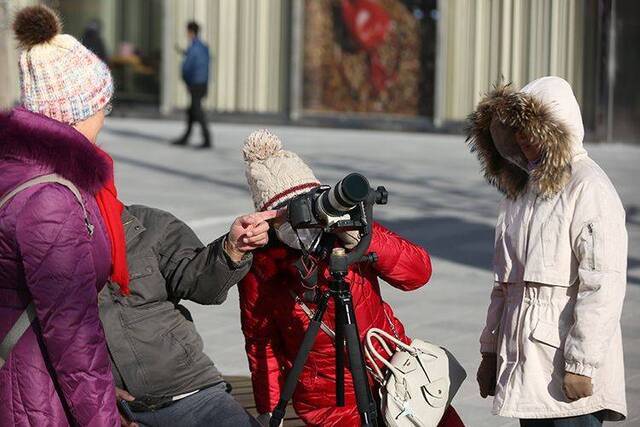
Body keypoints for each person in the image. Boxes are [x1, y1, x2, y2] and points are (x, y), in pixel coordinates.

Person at [238, 129, 465, 427]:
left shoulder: (349, 233)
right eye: (293, 213)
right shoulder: (263, 266)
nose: (308, 222)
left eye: (311, 205)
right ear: (272, 218)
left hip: (391, 370)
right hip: (328, 400)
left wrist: (359, 237)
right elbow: (261, 342)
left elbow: (418, 273)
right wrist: (269, 409)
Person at [467, 76, 628, 426]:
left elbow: (604, 284)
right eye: (516, 131)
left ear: (557, 128)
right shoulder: (520, 194)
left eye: (531, 129)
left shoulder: (589, 188)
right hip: (526, 368)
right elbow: (503, 286)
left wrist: (581, 364)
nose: (522, 139)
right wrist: (490, 351)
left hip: (567, 375)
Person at [0, 5, 122, 425]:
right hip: (35, 400)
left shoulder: (19, 168)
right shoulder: (49, 199)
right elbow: (74, 338)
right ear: (74, 112)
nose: (105, 116)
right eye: (101, 104)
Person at [101, 204, 279, 427]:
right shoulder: (48, 244)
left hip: (190, 393)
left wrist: (233, 248)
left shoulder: (149, 224)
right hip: (102, 406)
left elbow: (201, 286)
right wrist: (92, 396)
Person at [173, 21, 212, 149]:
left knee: (196, 111)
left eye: (187, 31)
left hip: (195, 83)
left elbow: (188, 67)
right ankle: (187, 136)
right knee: (192, 111)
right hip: (202, 83)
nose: (186, 34)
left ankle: (207, 139)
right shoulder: (202, 47)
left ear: (191, 32)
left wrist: (186, 79)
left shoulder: (194, 48)